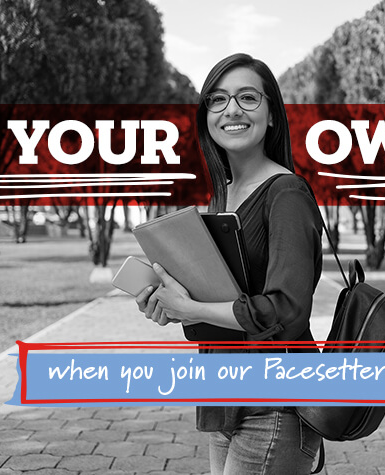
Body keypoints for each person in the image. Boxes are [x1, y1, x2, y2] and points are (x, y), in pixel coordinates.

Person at [135, 53, 324, 474]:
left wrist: (194, 309)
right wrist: (173, 307)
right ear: (206, 117)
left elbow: (287, 311)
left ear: (271, 114)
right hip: (224, 399)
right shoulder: (223, 195)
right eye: (217, 100)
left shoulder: (286, 194)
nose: (231, 109)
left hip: (274, 405)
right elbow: (224, 302)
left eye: (247, 97)